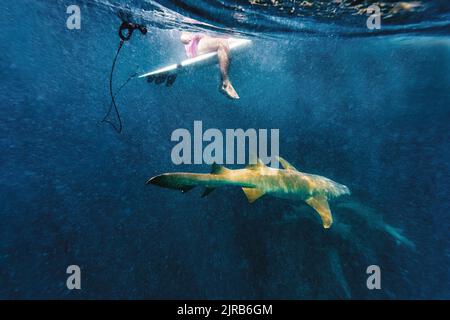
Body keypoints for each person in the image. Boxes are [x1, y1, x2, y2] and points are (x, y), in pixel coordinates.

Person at [180, 32, 239, 99]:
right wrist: (184, 38)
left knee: (226, 46)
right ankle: (225, 83)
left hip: (208, 40)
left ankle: (223, 83)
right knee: (222, 43)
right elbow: (183, 34)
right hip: (196, 45)